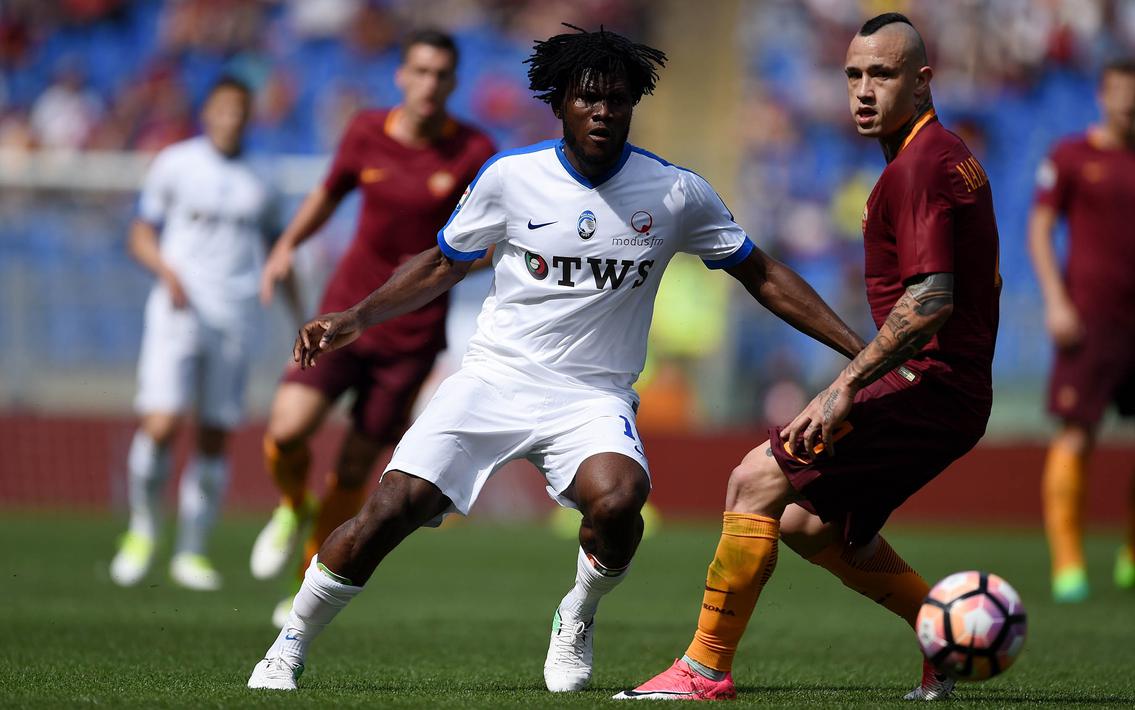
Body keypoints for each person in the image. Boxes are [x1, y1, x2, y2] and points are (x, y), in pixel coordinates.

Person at [246, 24, 866, 692]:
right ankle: (289, 643)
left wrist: (861, 352)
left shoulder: (674, 192)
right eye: (589, 98)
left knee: (621, 500)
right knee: (392, 506)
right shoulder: (512, 178)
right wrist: (357, 316)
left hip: (590, 396)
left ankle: (578, 613)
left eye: (618, 100)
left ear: (633, 106)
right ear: (560, 103)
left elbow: (762, 274)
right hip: (493, 379)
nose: (604, 111)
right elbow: (441, 264)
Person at [617, 13, 1000, 702]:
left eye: (880, 75)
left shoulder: (916, 168)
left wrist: (842, 387)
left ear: (921, 80)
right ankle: (940, 635)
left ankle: (702, 670)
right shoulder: (945, 155)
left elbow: (932, 298)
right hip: (945, 387)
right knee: (803, 523)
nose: (861, 90)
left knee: (751, 482)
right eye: (852, 74)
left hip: (927, 385)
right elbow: (981, 283)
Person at [247, 29, 496, 625]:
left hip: (410, 335)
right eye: (421, 71)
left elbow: (488, 235)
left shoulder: (473, 150)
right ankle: (290, 505)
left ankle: (305, 578)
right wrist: (286, 244)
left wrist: (478, 258)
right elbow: (329, 194)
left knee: (356, 469)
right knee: (286, 431)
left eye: (441, 74)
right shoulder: (364, 132)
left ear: (453, 82)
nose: (430, 84)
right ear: (401, 76)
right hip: (343, 313)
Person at [1029, 58, 1135, 604]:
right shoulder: (1070, 157)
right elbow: (1039, 229)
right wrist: (1056, 302)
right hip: (1089, 319)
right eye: (1119, 91)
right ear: (1102, 96)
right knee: (1077, 433)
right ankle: (1069, 563)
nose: (1128, 102)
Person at [110, 77, 282, 591]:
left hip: (236, 314)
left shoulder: (263, 179)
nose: (232, 118)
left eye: (241, 110)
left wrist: (301, 313)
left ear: (250, 115)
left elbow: (281, 249)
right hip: (178, 309)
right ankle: (141, 531)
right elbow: (140, 232)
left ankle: (192, 549)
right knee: (162, 423)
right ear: (208, 112)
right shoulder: (176, 164)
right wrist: (167, 273)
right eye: (224, 109)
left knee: (214, 433)